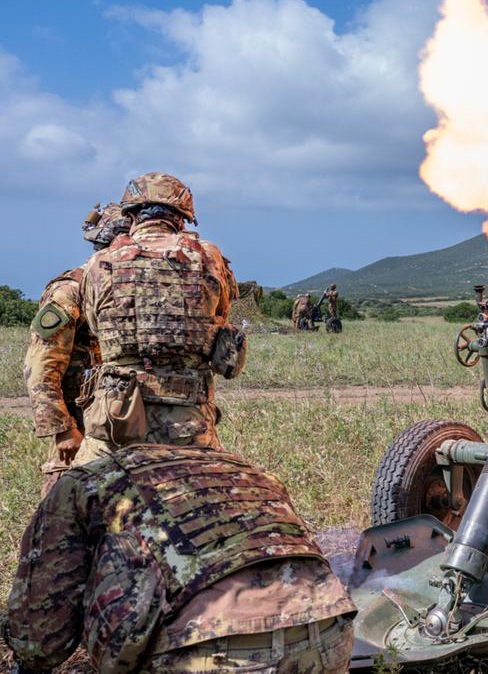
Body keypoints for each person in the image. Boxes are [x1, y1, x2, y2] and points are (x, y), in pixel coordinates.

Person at [2, 444, 357, 673]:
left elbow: (38, 639)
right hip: (329, 631)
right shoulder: (243, 468)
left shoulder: (85, 482)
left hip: (209, 651)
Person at [73, 172, 244, 465]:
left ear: (131, 216)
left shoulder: (100, 262)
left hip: (117, 414)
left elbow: (94, 324)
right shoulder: (208, 257)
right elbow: (220, 316)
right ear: (181, 218)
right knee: (200, 486)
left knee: (82, 485)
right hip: (188, 416)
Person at [24, 203, 131, 495]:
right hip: (78, 421)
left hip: (114, 420)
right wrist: (62, 429)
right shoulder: (72, 289)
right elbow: (41, 366)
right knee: (64, 503)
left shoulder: (124, 290)